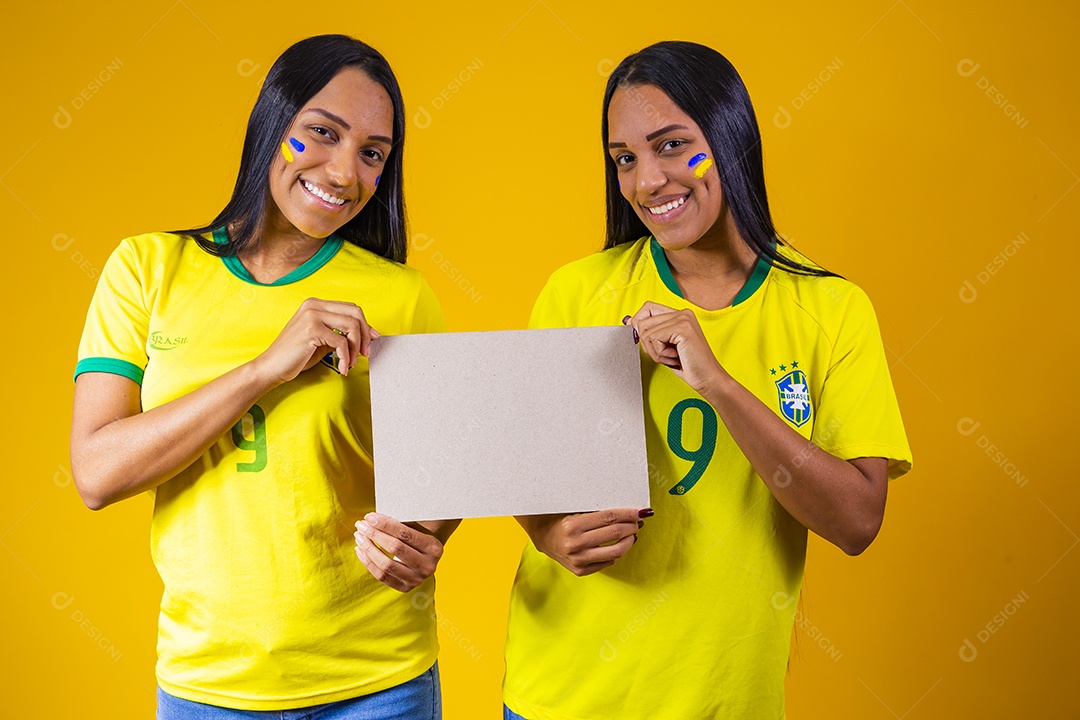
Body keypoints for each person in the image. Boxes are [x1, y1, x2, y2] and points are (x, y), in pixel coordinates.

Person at [503, 41, 912, 719]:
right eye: (625, 159)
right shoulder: (577, 292)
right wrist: (546, 533)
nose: (647, 181)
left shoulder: (830, 310)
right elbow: (524, 467)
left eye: (672, 146)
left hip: (725, 700)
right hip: (564, 695)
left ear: (729, 139)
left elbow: (857, 520)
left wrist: (718, 383)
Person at [70, 35, 457, 719]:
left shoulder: (403, 296)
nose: (344, 172)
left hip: (379, 683)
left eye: (372, 153)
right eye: (321, 133)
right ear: (272, 124)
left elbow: (443, 481)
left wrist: (427, 538)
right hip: (208, 686)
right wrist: (263, 370)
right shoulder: (147, 270)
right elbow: (97, 473)